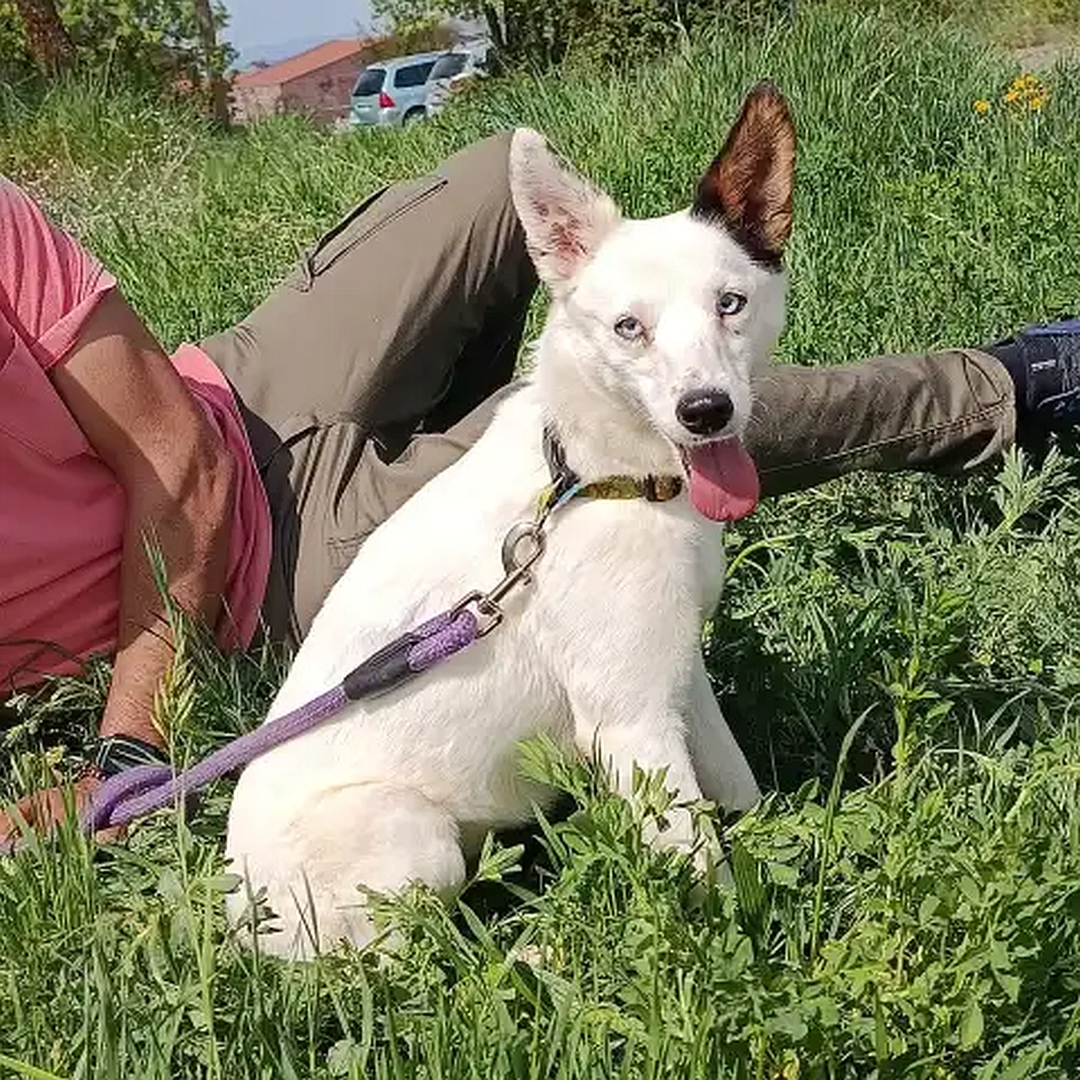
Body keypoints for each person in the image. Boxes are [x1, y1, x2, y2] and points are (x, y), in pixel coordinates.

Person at [2, 131, 1078, 846]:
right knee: (667, 421)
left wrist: (128, 750)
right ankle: (1004, 389)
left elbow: (178, 456)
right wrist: (122, 756)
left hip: (225, 402)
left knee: (494, 179)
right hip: (257, 580)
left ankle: (476, 427)